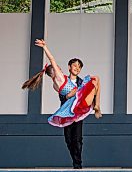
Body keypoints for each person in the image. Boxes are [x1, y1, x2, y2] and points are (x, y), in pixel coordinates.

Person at [22, 39, 102, 169]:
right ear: (68, 67)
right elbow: (53, 61)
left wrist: (91, 103)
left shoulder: (73, 81)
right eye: (75, 66)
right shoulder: (58, 80)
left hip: (79, 107)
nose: (77, 68)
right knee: (68, 139)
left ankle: (78, 164)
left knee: (77, 139)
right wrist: (44, 47)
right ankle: (75, 161)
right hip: (67, 110)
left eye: (79, 67)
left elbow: (86, 92)